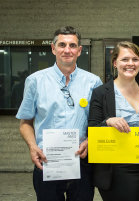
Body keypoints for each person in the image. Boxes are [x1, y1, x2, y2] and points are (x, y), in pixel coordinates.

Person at [16, 26, 103, 201]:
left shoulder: (93, 82)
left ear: (79, 51)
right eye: (62, 45)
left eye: (72, 46)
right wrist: (33, 147)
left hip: (82, 161)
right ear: (53, 48)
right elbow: (25, 122)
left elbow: (99, 122)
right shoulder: (35, 81)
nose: (67, 50)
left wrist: (89, 140)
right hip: (46, 161)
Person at [88, 41, 139, 201]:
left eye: (135, 59)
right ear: (115, 63)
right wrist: (108, 121)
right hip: (116, 171)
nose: (130, 63)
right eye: (125, 59)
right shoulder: (101, 93)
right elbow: (92, 129)